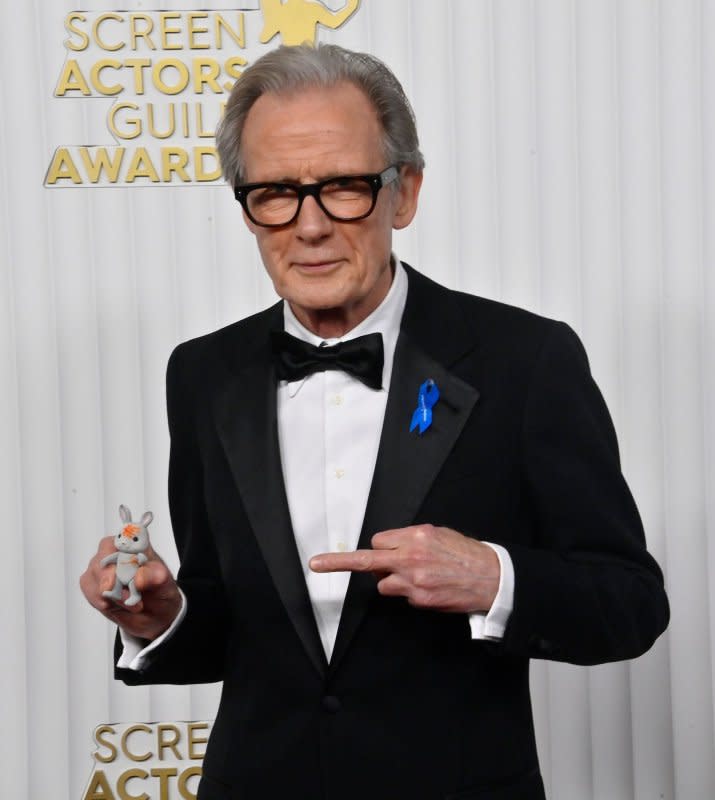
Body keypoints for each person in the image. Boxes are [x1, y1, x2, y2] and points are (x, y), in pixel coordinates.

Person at [81, 44, 669, 800]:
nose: (310, 226)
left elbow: (627, 605)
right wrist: (162, 614)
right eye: (274, 193)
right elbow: (229, 624)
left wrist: (491, 576)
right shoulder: (202, 373)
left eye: (345, 187)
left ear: (405, 192)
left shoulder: (523, 360)